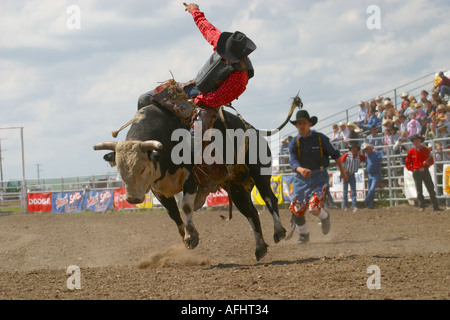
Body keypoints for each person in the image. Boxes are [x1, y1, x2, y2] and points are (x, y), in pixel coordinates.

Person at [138, 2, 256, 139]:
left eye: (229, 57)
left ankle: (195, 157)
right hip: (194, 87)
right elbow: (207, 28)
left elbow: (218, 98)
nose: (225, 58)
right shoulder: (221, 44)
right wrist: (194, 10)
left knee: (195, 135)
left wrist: (195, 100)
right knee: (145, 98)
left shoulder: (240, 77)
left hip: (209, 100)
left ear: (239, 57)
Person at [288, 110, 347, 244]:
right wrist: (300, 169)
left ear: (309, 123)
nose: (302, 126)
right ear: (296, 126)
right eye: (299, 123)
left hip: (319, 177)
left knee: (314, 208)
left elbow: (335, 154)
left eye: (304, 123)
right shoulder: (294, 143)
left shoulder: (320, 138)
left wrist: (342, 172)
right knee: (297, 208)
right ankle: (303, 235)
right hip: (301, 178)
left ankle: (325, 217)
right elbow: (292, 161)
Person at [405, 134, 442, 212]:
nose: (416, 142)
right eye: (414, 141)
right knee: (419, 190)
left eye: (417, 140)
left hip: (425, 170)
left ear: (420, 141)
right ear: (413, 142)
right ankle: (421, 206)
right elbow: (407, 163)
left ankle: (435, 206)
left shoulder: (426, 150)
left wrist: (427, 163)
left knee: (431, 188)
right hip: (417, 172)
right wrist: (412, 169)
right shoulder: (411, 151)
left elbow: (431, 160)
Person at [340, 143, 366, 212]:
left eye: (355, 149)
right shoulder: (346, 155)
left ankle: (354, 206)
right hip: (346, 174)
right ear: (351, 149)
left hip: (352, 174)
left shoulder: (360, 156)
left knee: (353, 190)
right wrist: (342, 170)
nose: (354, 150)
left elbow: (366, 158)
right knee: (345, 191)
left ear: (357, 150)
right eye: (353, 149)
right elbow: (339, 161)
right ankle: (346, 206)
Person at [362, 143, 384, 209]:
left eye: (367, 149)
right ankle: (370, 205)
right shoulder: (367, 157)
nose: (366, 150)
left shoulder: (376, 153)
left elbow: (383, 153)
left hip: (376, 174)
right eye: (365, 149)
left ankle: (366, 201)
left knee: (371, 189)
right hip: (370, 174)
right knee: (370, 190)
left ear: (370, 148)